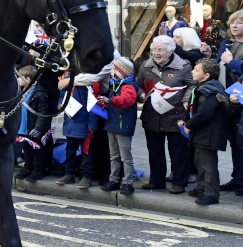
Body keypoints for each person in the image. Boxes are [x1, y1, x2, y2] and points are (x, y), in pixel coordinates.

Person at [137, 35, 194, 193]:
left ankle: (179, 183)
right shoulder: (146, 66)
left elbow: (192, 84)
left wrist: (186, 99)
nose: (156, 53)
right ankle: (156, 180)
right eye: (154, 50)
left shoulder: (183, 66)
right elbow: (138, 85)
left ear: (170, 51)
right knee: (154, 151)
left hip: (175, 116)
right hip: (152, 116)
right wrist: (141, 95)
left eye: (160, 50)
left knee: (178, 152)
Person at [179, 58, 230, 205]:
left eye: (196, 70)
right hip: (201, 133)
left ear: (206, 75)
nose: (193, 71)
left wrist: (189, 125)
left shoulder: (210, 91)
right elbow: (192, 108)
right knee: (199, 162)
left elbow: (204, 113)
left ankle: (211, 194)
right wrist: (185, 119)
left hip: (209, 134)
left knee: (208, 165)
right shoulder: (202, 87)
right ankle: (201, 188)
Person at [97, 57, 139, 195]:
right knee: (114, 155)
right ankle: (114, 179)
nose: (111, 71)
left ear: (121, 71)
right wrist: (104, 102)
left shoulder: (128, 86)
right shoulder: (116, 84)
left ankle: (128, 182)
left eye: (114, 68)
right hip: (112, 124)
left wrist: (109, 100)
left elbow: (126, 100)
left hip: (123, 125)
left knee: (125, 157)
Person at [216, 9, 243, 195]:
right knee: (234, 142)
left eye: (239, 22)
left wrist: (231, 61)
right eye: (232, 22)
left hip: (241, 100)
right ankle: (238, 178)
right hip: (229, 99)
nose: (234, 25)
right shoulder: (227, 44)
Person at [56, 71, 96, 188]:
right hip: (70, 122)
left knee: (86, 152)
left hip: (84, 122)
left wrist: (92, 125)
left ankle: (86, 176)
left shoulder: (88, 83)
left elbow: (93, 104)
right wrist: (60, 104)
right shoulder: (68, 80)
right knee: (70, 150)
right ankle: (69, 173)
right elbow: (62, 96)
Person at [14, 65, 53, 181]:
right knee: (26, 150)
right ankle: (28, 168)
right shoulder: (21, 91)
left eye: (20, 77)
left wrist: (37, 128)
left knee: (36, 151)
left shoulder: (39, 93)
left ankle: (37, 171)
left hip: (33, 128)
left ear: (28, 79)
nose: (18, 79)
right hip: (23, 127)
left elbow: (42, 113)